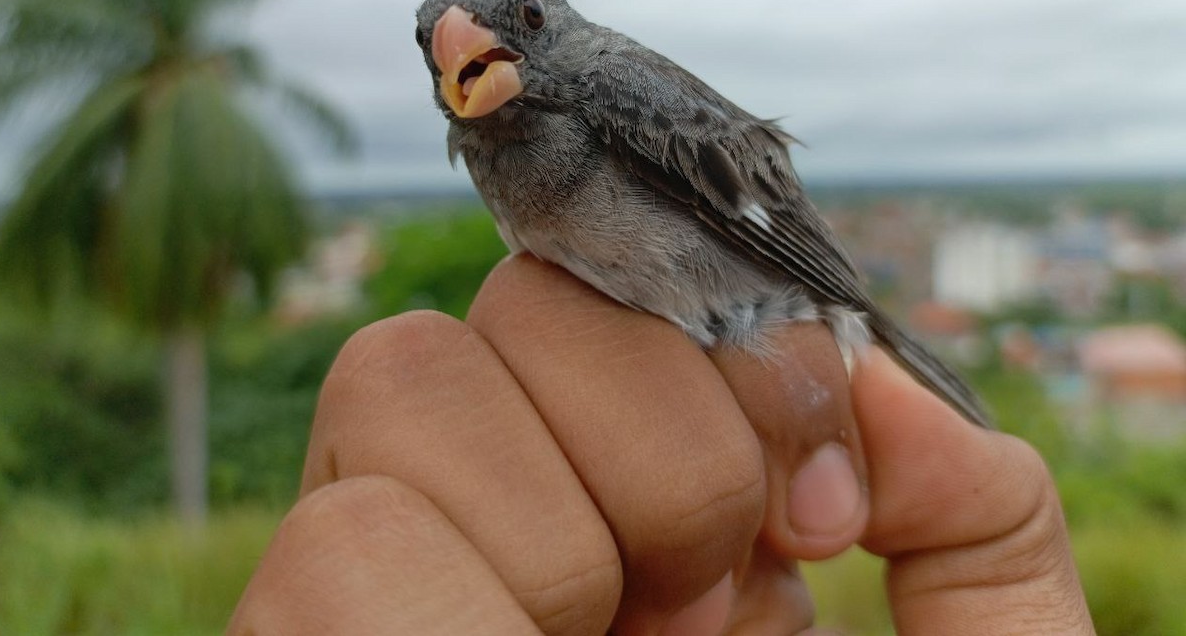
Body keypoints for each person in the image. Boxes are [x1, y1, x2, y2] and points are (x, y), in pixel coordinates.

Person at [228, 255, 1095, 635]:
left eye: (525, 20)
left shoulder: (608, 94)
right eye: (434, 48)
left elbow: (764, 225)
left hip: (765, 297)